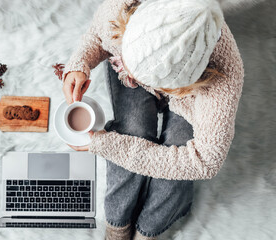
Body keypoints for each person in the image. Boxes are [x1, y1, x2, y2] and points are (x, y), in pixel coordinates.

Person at [59, 0, 244, 239]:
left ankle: (150, 227)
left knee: (177, 153)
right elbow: (97, 35)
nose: (132, 81)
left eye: (139, 78)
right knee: (131, 130)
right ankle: (117, 222)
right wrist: (79, 63)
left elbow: (204, 161)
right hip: (144, 53)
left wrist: (109, 146)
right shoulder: (121, 7)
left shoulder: (224, 78)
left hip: (191, 99)